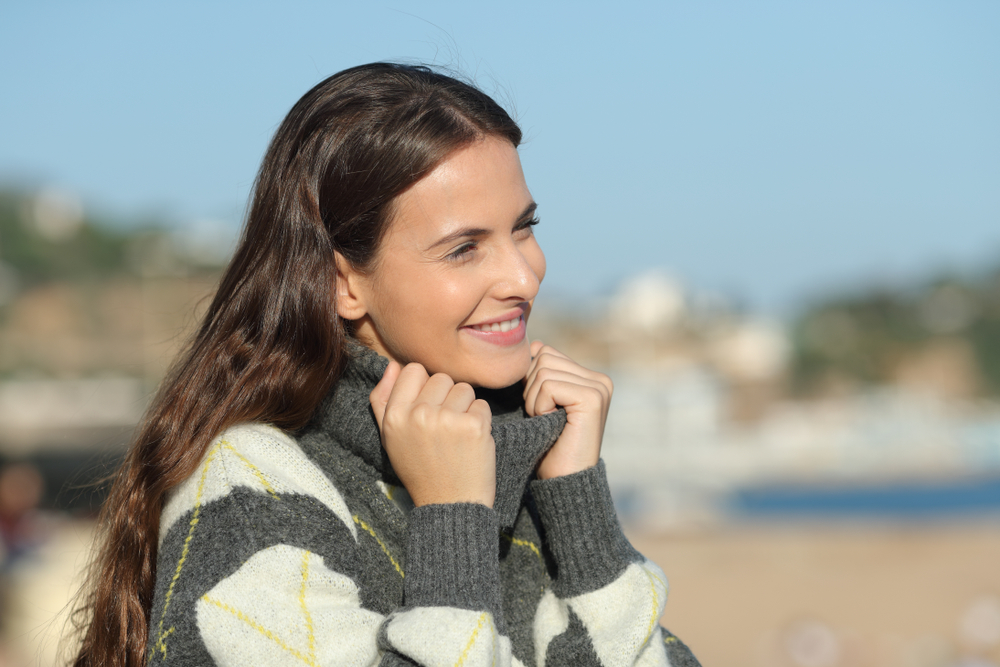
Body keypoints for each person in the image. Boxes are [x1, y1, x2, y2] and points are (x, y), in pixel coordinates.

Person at [71, 62, 701, 667]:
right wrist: (452, 518)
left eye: (523, 227)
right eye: (463, 249)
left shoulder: (513, 450)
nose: (523, 276)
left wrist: (576, 499)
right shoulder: (255, 485)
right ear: (342, 282)